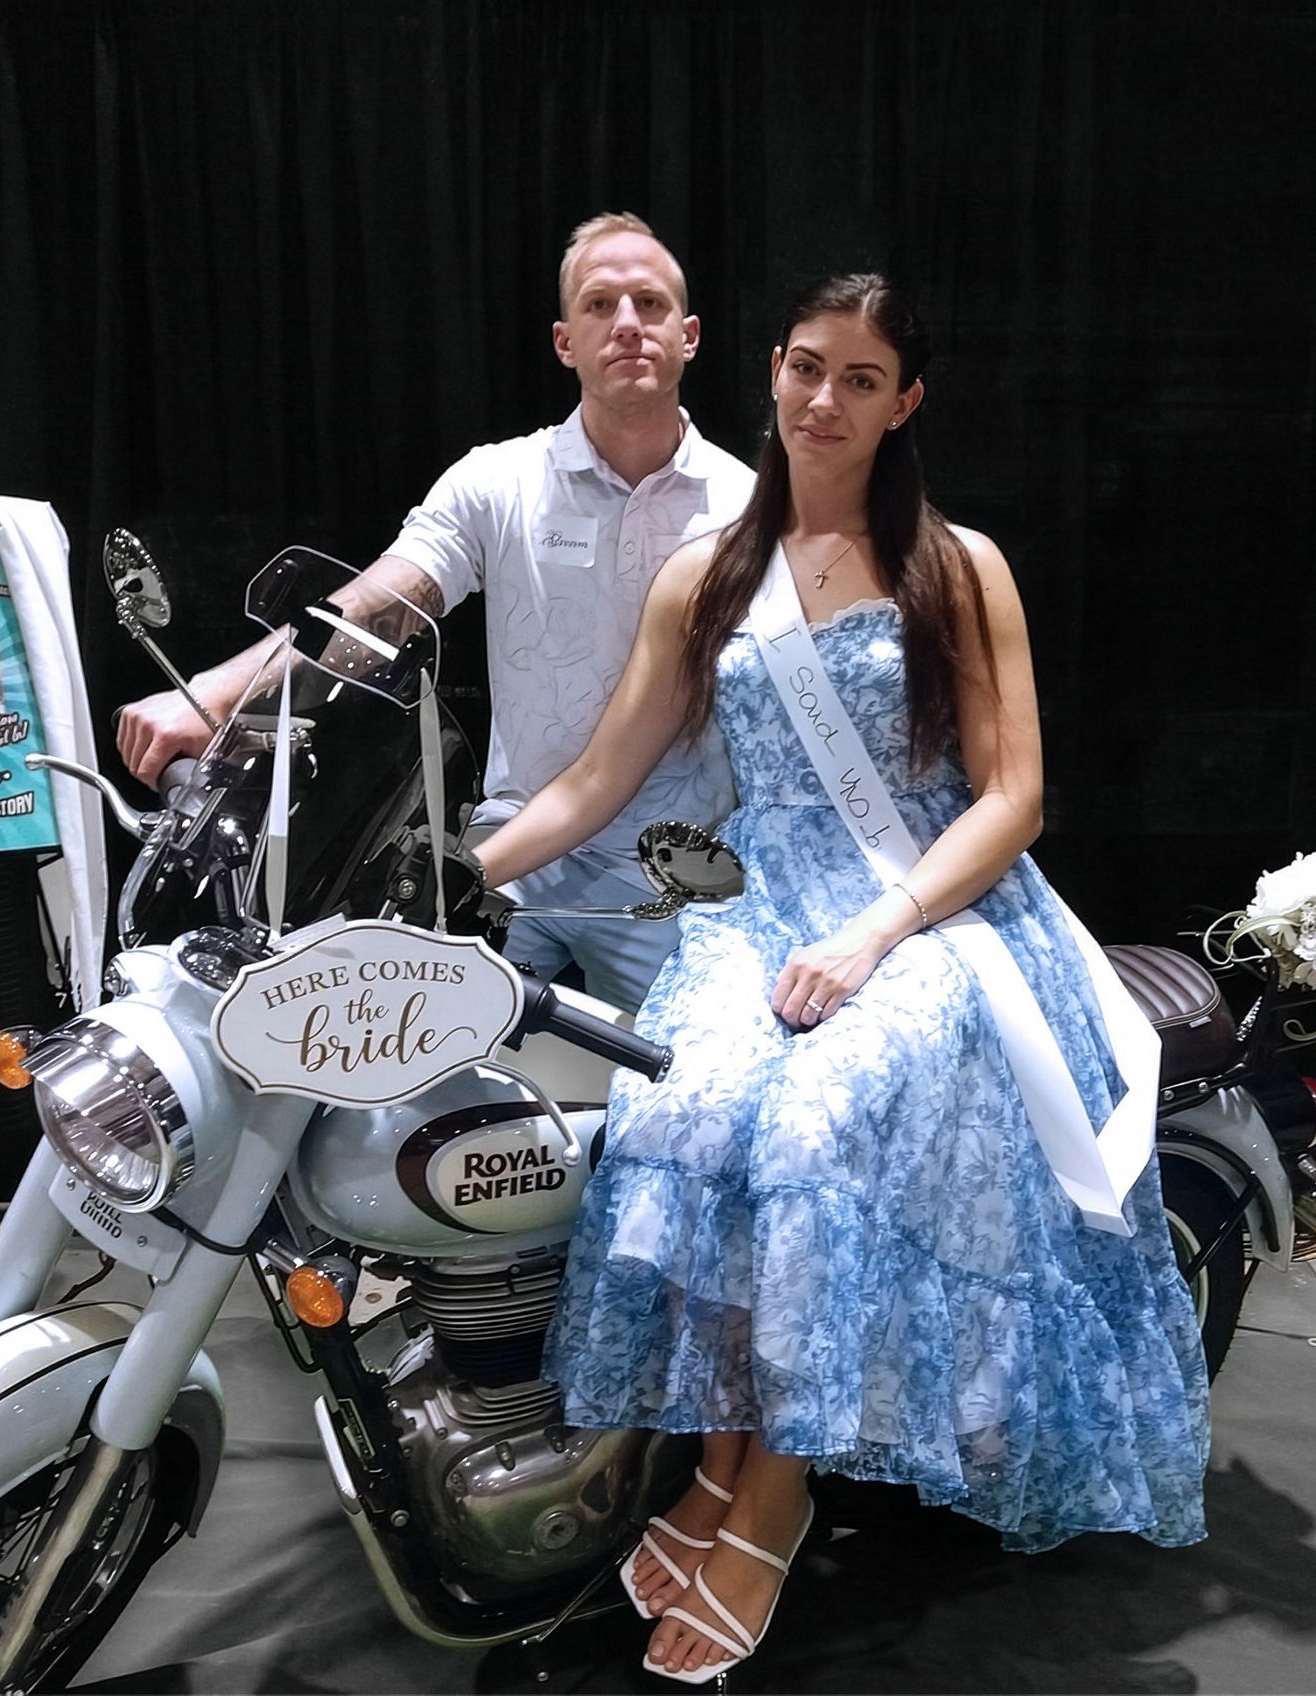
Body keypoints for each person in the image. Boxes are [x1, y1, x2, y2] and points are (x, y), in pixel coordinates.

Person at [470, 272, 1211, 1683]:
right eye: (809, 368)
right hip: (761, 916)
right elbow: (601, 777)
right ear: (770, 373)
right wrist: (473, 875)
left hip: (937, 917)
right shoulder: (711, 575)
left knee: (814, 1129)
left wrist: (879, 936)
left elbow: (1016, 798)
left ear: (904, 403)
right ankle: (724, 1448)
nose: (826, 400)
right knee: (686, 1117)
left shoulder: (957, 564)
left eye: (861, 379)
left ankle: (773, 1494)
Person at [115, 213, 755, 1011]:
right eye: (599, 306)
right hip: (509, 851)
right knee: (394, 1067)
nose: (626, 324)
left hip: (673, 865)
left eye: (650, 304)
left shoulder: (750, 507)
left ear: (689, 335)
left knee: (688, 1092)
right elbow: (377, 607)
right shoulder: (499, 481)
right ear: (564, 341)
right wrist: (215, 696)